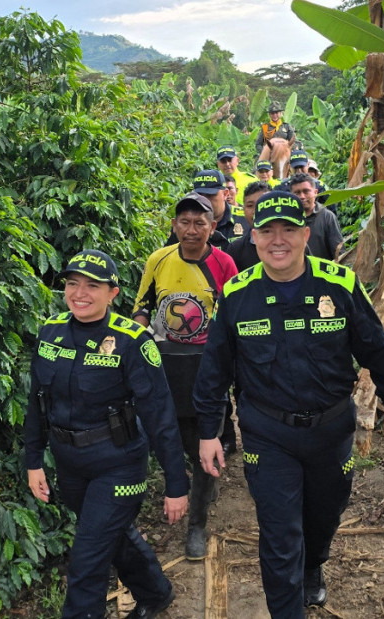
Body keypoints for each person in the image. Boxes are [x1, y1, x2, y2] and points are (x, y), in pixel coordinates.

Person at [193, 191, 384, 617]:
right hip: (267, 433)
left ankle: (314, 566)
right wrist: (207, 432)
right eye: (268, 231)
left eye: (288, 230)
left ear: (306, 234)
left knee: (323, 516)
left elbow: (376, 348)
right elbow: (214, 369)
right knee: (280, 534)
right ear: (254, 238)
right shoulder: (237, 293)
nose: (279, 240)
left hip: (330, 430)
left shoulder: (339, 284)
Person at [24, 249, 189, 618]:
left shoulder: (131, 340)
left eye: (92, 286)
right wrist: (33, 461)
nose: (79, 293)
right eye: (72, 283)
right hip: (69, 464)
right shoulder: (50, 332)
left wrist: (176, 485)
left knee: (87, 559)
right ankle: (155, 592)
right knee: (107, 535)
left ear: (113, 293)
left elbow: (160, 416)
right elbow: (37, 403)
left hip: (118, 464)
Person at [133, 194, 238, 561]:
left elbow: (233, 316)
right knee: (169, 435)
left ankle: (197, 524)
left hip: (206, 366)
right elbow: (143, 305)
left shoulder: (224, 263)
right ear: (174, 226)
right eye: (185, 222)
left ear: (212, 227)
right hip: (165, 363)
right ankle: (180, 489)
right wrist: (139, 336)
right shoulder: (158, 260)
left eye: (200, 223)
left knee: (205, 442)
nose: (191, 230)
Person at [290, 172, 343, 260]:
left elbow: (338, 252)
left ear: (315, 192)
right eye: (297, 193)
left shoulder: (327, 217)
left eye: (306, 191)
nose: (302, 196)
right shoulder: (287, 219)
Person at [225, 180, 271, 271]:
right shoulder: (236, 249)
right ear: (243, 209)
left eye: (262, 204)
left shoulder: (290, 243)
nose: (256, 211)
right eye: (250, 206)